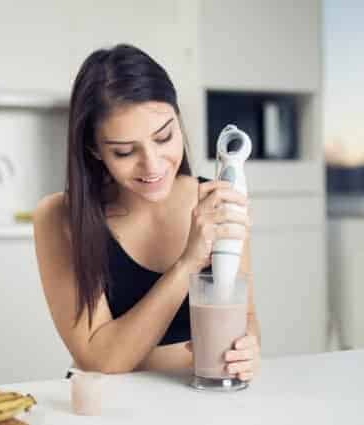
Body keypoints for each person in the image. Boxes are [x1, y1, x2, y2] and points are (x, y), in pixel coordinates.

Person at [33, 44, 261, 382]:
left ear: (178, 120)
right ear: (94, 149)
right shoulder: (60, 217)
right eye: (125, 151)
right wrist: (188, 263)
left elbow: (246, 315)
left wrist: (248, 348)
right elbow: (100, 359)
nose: (152, 165)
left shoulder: (215, 201)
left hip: (200, 400)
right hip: (109, 410)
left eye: (164, 136)